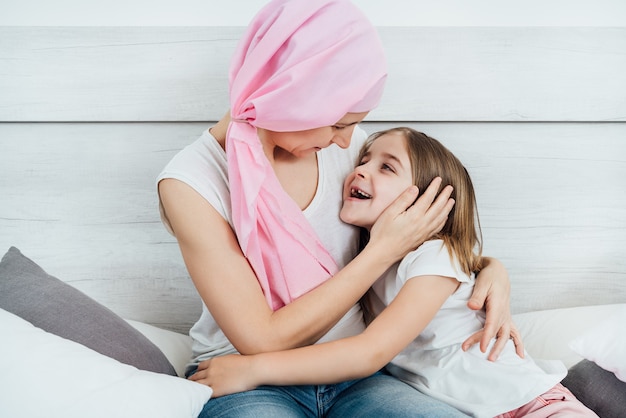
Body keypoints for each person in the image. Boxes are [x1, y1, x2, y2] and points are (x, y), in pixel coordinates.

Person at [157, 0, 518, 416]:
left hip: (359, 374)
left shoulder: (352, 158)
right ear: (293, 96)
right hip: (245, 377)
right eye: (340, 124)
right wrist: (380, 250)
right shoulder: (190, 183)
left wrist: (490, 268)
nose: (349, 142)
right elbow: (262, 339)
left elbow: (428, 238)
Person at [194, 128, 598, 417]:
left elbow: (372, 350)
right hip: (477, 408)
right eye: (364, 160)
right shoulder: (369, 259)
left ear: (430, 204)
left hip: (529, 400)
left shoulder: (435, 256)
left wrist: (252, 368)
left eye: (387, 168)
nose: (360, 170)